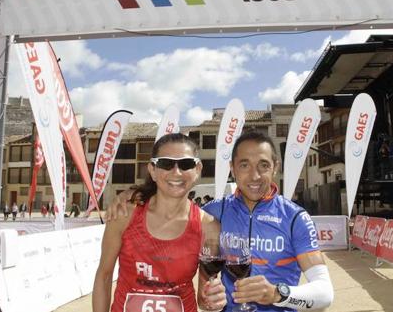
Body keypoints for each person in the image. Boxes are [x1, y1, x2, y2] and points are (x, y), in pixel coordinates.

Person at [109, 132, 334, 312]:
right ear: (232, 168)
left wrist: (279, 294)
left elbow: (325, 294)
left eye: (263, 165)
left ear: (275, 167)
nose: (255, 176)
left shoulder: (295, 218)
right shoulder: (214, 212)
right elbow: (172, 200)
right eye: (244, 165)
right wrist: (133, 194)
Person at [92, 133, 227, 312]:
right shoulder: (124, 214)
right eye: (166, 163)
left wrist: (213, 300)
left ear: (198, 169)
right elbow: (104, 276)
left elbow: (204, 300)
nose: (176, 172)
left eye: (186, 164)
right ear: (153, 170)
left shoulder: (209, 227)